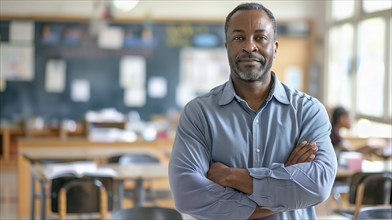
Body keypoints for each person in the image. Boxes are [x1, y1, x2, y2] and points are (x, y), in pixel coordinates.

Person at [168, 2, 337, 220]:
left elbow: (318, 185)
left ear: (275, 48)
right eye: (239, 38)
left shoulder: (308, 111)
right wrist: (285, 180)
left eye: (260, 37)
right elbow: (187, 194)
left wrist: (231, 176)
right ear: (227, 45)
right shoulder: (199, 113)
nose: (250, 46)